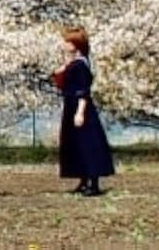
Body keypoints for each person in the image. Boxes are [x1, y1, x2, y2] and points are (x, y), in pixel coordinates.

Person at [53, 26, 114, 196]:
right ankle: (83, 179)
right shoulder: (74, 63)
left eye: (67, 41)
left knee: (87, 144)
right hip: (71, 105)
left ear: (76, 44)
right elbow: (61, 82)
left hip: (80, 107)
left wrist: (79, 112)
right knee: (76, 144)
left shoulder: (81, 65)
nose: (64, 44)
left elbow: (83, 91)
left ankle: (93, 183)